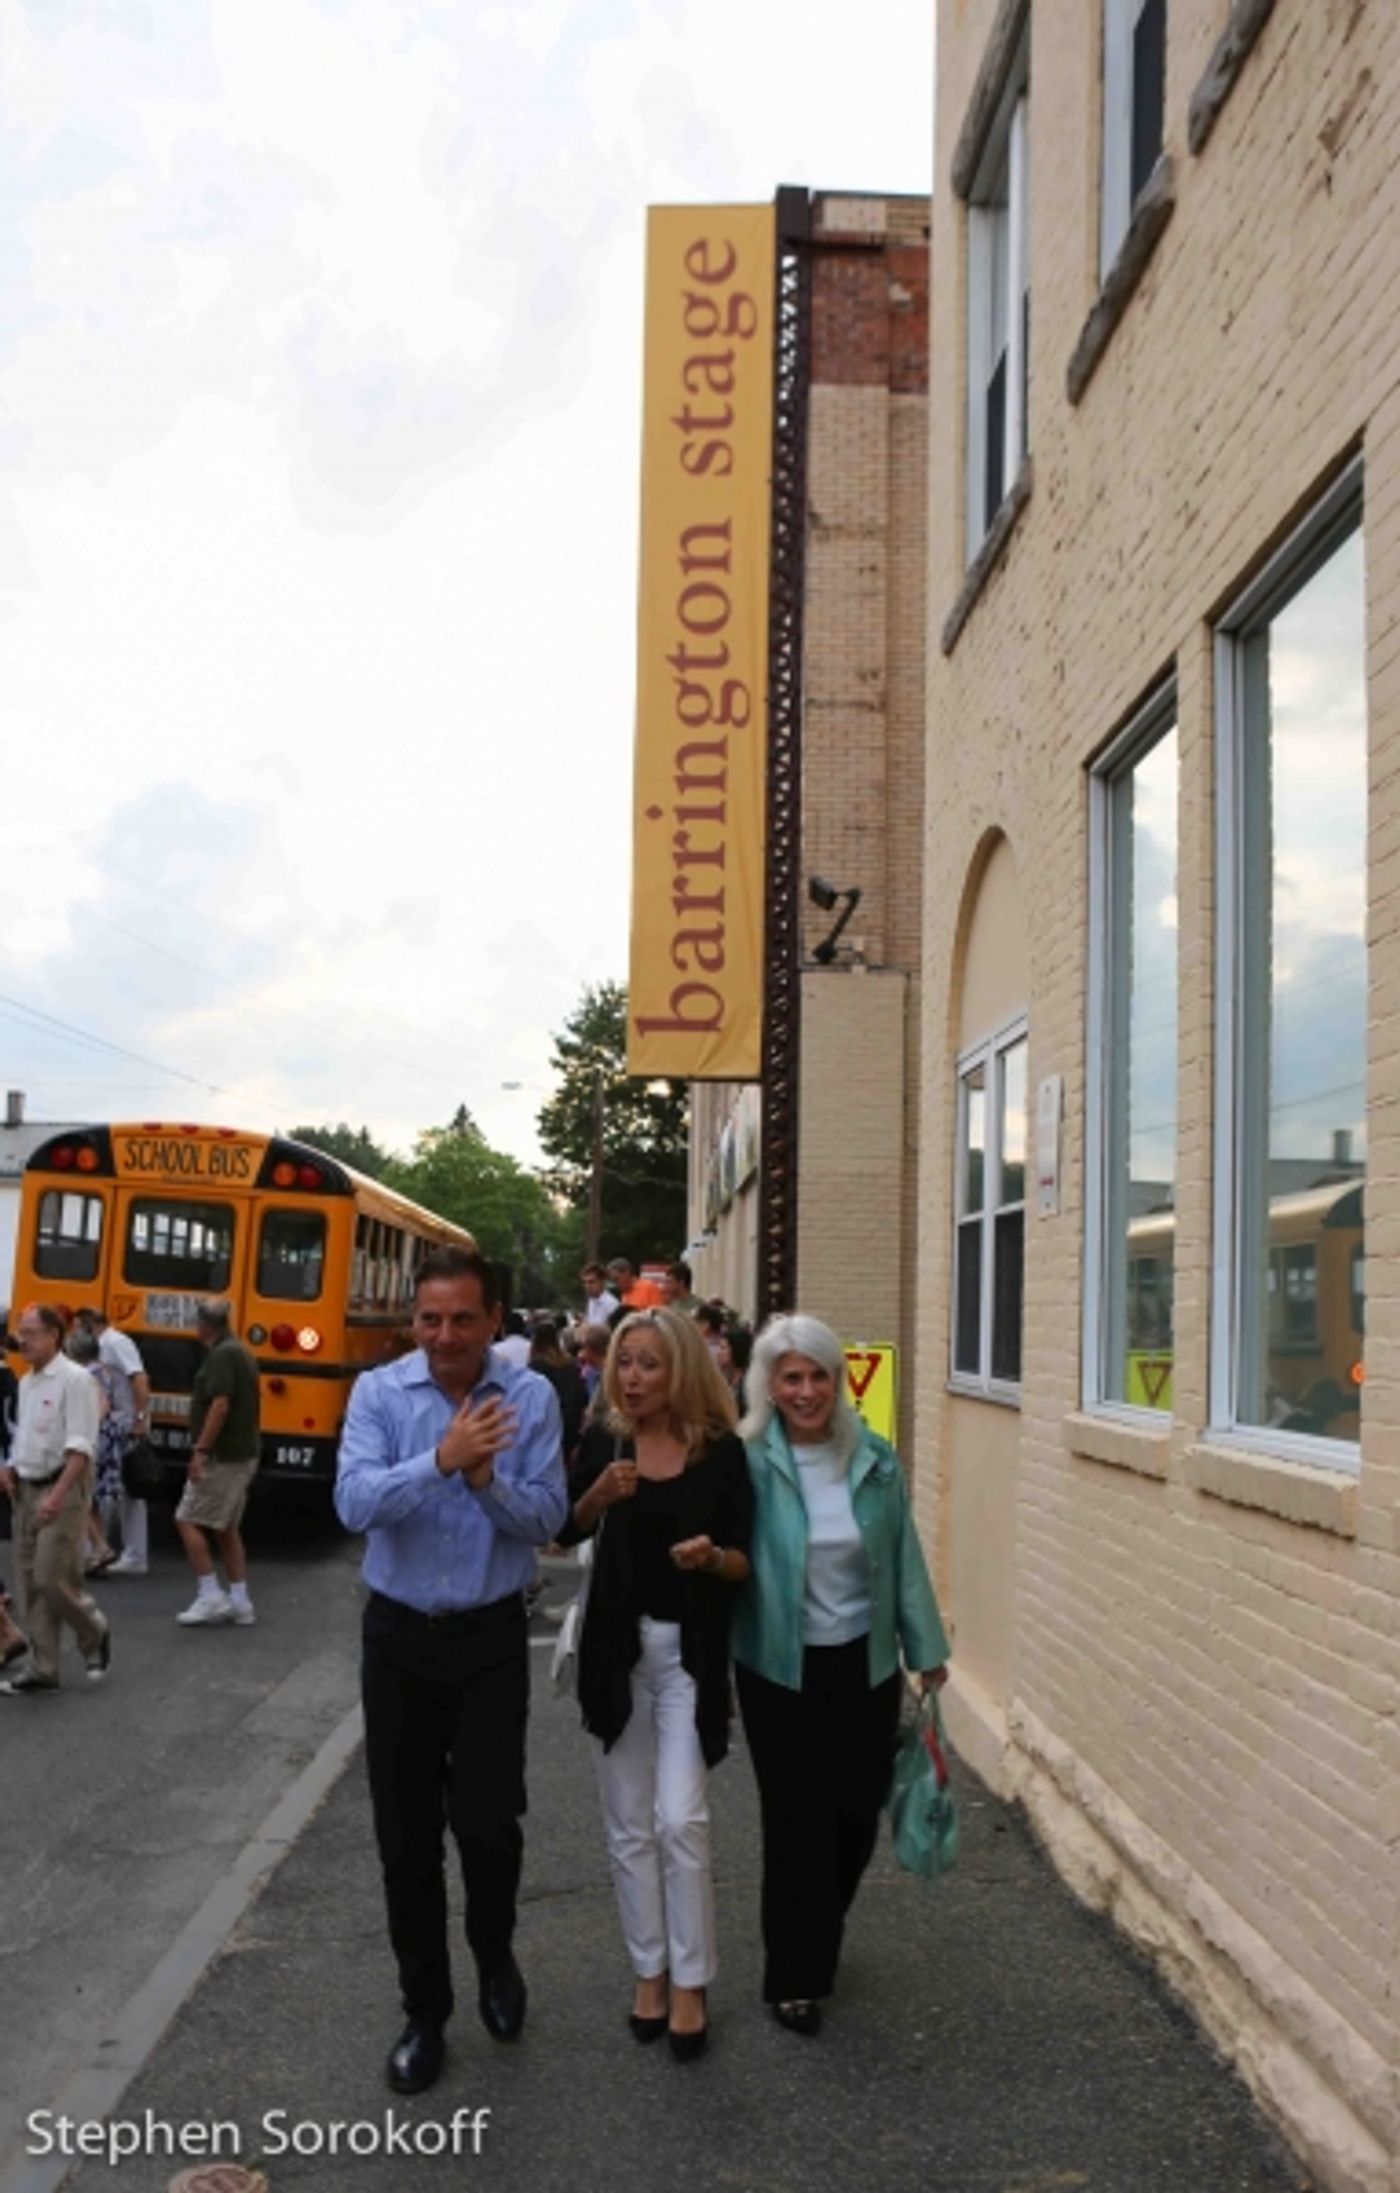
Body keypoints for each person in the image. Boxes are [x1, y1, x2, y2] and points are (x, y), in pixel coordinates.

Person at [335, 1246, 568, 2098]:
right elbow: (353, 1503)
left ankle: (494, 1950)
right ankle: (424, 2011)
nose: (444, 1335)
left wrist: (483, 1480)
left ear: (493, 1321)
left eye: (462, 1318)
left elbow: (548, 1515)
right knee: (405, 1837)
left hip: (489, 1640)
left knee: (487, 1823)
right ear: (413, 1320)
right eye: (430, 1318)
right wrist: (438, 1459)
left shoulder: (531, 1397)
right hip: (397, 1640)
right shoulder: (379, 1393)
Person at [733, 1313, 949, 2037]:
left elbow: (905, 1558)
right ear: (769, 1384)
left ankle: (816, 1929)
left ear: (837, 1380)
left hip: (863, 1663)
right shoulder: (749, 1460)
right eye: (790, 1376)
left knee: (854, 1818)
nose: (805, 1389)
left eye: (817, 1374)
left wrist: (927, 1647)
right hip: (778, 1668)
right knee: (795, 1822)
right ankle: (795, 1975)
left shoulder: (874, 1459)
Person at [558, 1307, 753, 2061]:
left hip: (687, 1660)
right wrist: (599, 1496)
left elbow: (744, 1561)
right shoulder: (608, 1441)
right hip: (617, 1653)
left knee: (681, 1820)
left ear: (680, 1372)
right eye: (624, 1363)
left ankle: (693, 1979)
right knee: (629, 1825)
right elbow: (566, 1527)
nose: (632, 1377)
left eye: (648, 1364)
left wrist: (710, 1558)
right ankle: (650, 1970)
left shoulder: (722, 1455)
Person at [0, 1303, 110, 1695]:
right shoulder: (27, 1382)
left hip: (60, 1486)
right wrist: (9, 1467)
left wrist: (59, 1495)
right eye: (20, 1331)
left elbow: (82, 1445)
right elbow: (24, 1435)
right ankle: (43, 1667)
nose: (22, 1339)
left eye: (30, 1332)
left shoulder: (76, 1380)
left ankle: (93, 1630)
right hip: (26, 1487)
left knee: (52, 1576)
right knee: (29, 1581)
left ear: (53, 1336)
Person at [174, 1301, 261, 1628]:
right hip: (242, 1453)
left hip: (224, 1455)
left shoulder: (223, 1355)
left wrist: (201, 1451)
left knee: (187, 1518)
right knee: (225, 1527)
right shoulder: (238, 1350)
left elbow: (220, 1405)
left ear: (205, 1325)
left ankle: (210, 1594)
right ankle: (240, 1601)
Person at [75, 1308, 152, 1574]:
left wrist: (139, 1418)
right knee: (111, 1488)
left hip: (123, 1422)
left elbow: (139, 1378)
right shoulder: (104, 1345)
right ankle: (99, 1549)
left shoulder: (116, 1343)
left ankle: (134, 1554)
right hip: (116, 1422)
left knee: (129, 1488)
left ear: (90, 1324)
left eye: (78, 1326)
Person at [577, 1262, 620, 1330]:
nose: (587, 1286)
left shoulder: (611, 1304)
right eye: (584, 1282)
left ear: (602, 1282)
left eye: (591, 1282)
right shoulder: (591, 1301)